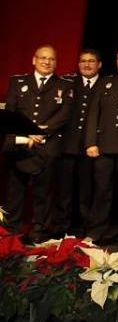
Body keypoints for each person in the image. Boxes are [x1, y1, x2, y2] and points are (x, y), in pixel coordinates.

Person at [1, 45, 74, 242]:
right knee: (15, 190)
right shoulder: (18, 82)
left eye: (51, 59)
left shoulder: (65, 85)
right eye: (42, 58)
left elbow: (64, 115)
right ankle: (10, 230)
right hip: (21, 144)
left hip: (48, 143)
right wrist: (27, 132)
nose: (46, 62)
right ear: (34, 60)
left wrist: (41, 132)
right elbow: (10, 111)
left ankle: (39, 231)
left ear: (56, 63)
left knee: (44, 191)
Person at [84, 47, 118, 243]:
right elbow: (93, 114)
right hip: (104, 146)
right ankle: (96, 231)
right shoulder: (105, 82)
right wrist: (91, 142)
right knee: (101, 191)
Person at [52, 48, 101, 237]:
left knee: (87, 190)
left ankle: (83, 226)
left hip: (91, 147)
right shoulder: (68, 82)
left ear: (99, 65)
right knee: (64, 189)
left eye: (91, 61)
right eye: (83, 61)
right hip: (68, 145)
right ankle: (61, 226)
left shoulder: (106, 84)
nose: (86, 65)